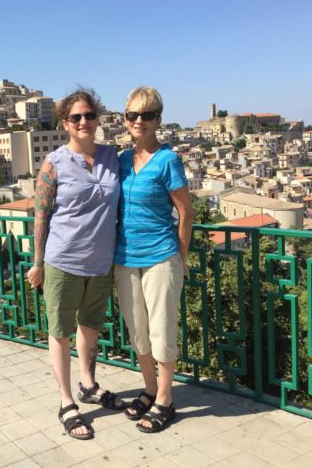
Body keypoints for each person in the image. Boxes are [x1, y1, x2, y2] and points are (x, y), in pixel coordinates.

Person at [27, 88, 124, 440]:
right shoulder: (54, 162)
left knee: (91, 327)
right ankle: (67, 401)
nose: (84, 122)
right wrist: (37, 263)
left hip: (101, 262)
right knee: (60, 331)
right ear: (65, 123)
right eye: (76, 117)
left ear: (97, 118)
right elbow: (41, 216)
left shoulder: (113, 157)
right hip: (63, 261)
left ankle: (88, 383)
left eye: (89, 115)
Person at [114, 87, 195, 433]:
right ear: (125, 119)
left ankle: (165, 400)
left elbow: (186, 212)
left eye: (147, 115)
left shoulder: (168, 160)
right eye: (133, 115)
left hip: (162, 257)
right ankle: (150, 389)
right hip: (125, 258)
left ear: (158, 119)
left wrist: (182, 255)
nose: (139, 121)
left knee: (162, 332)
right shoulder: (120, 160)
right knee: (138, 333)